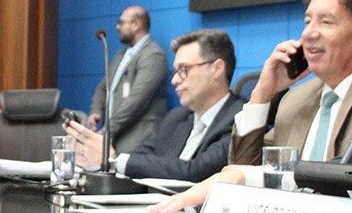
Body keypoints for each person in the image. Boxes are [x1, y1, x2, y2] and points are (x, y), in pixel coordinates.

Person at [150, 0, 352, 212]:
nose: (309, 33)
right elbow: (243, 171)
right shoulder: (296, 98)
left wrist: (243, 176)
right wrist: (262, 93)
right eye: (307, 22)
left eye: (326, 22)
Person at [67, 29, 244, 182]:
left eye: (184, 70)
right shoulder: (177, 117)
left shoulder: (242, 119)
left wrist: (112, 159)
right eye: (175, 72)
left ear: (217, 68)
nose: (175, 80)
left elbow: (195, 172)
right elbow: (138, 159)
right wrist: (95, 159)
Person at [86, 5, 169, 151]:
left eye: (121, 22)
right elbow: (103, 88)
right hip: (114, 134)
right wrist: (95, 111)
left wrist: (107, 130)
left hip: (139, 138)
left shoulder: (153, 55)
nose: (117, 27)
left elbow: (136, 100)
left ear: (136, 24)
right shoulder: (120, 55)